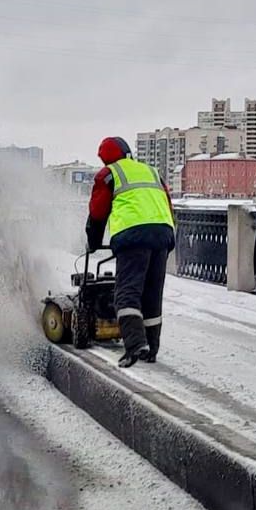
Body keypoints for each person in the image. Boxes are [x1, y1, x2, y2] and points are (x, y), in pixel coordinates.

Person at [85, 136, 175, 367]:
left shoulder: (108, 174)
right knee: (152, 295)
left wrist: (93, 242)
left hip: (134, 236)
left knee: (127, 293)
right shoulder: (151, 171)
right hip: (163, 234)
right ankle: (151, 349)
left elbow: (97, 212)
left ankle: (135, 346)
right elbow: (167, 203)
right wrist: (168, 236)